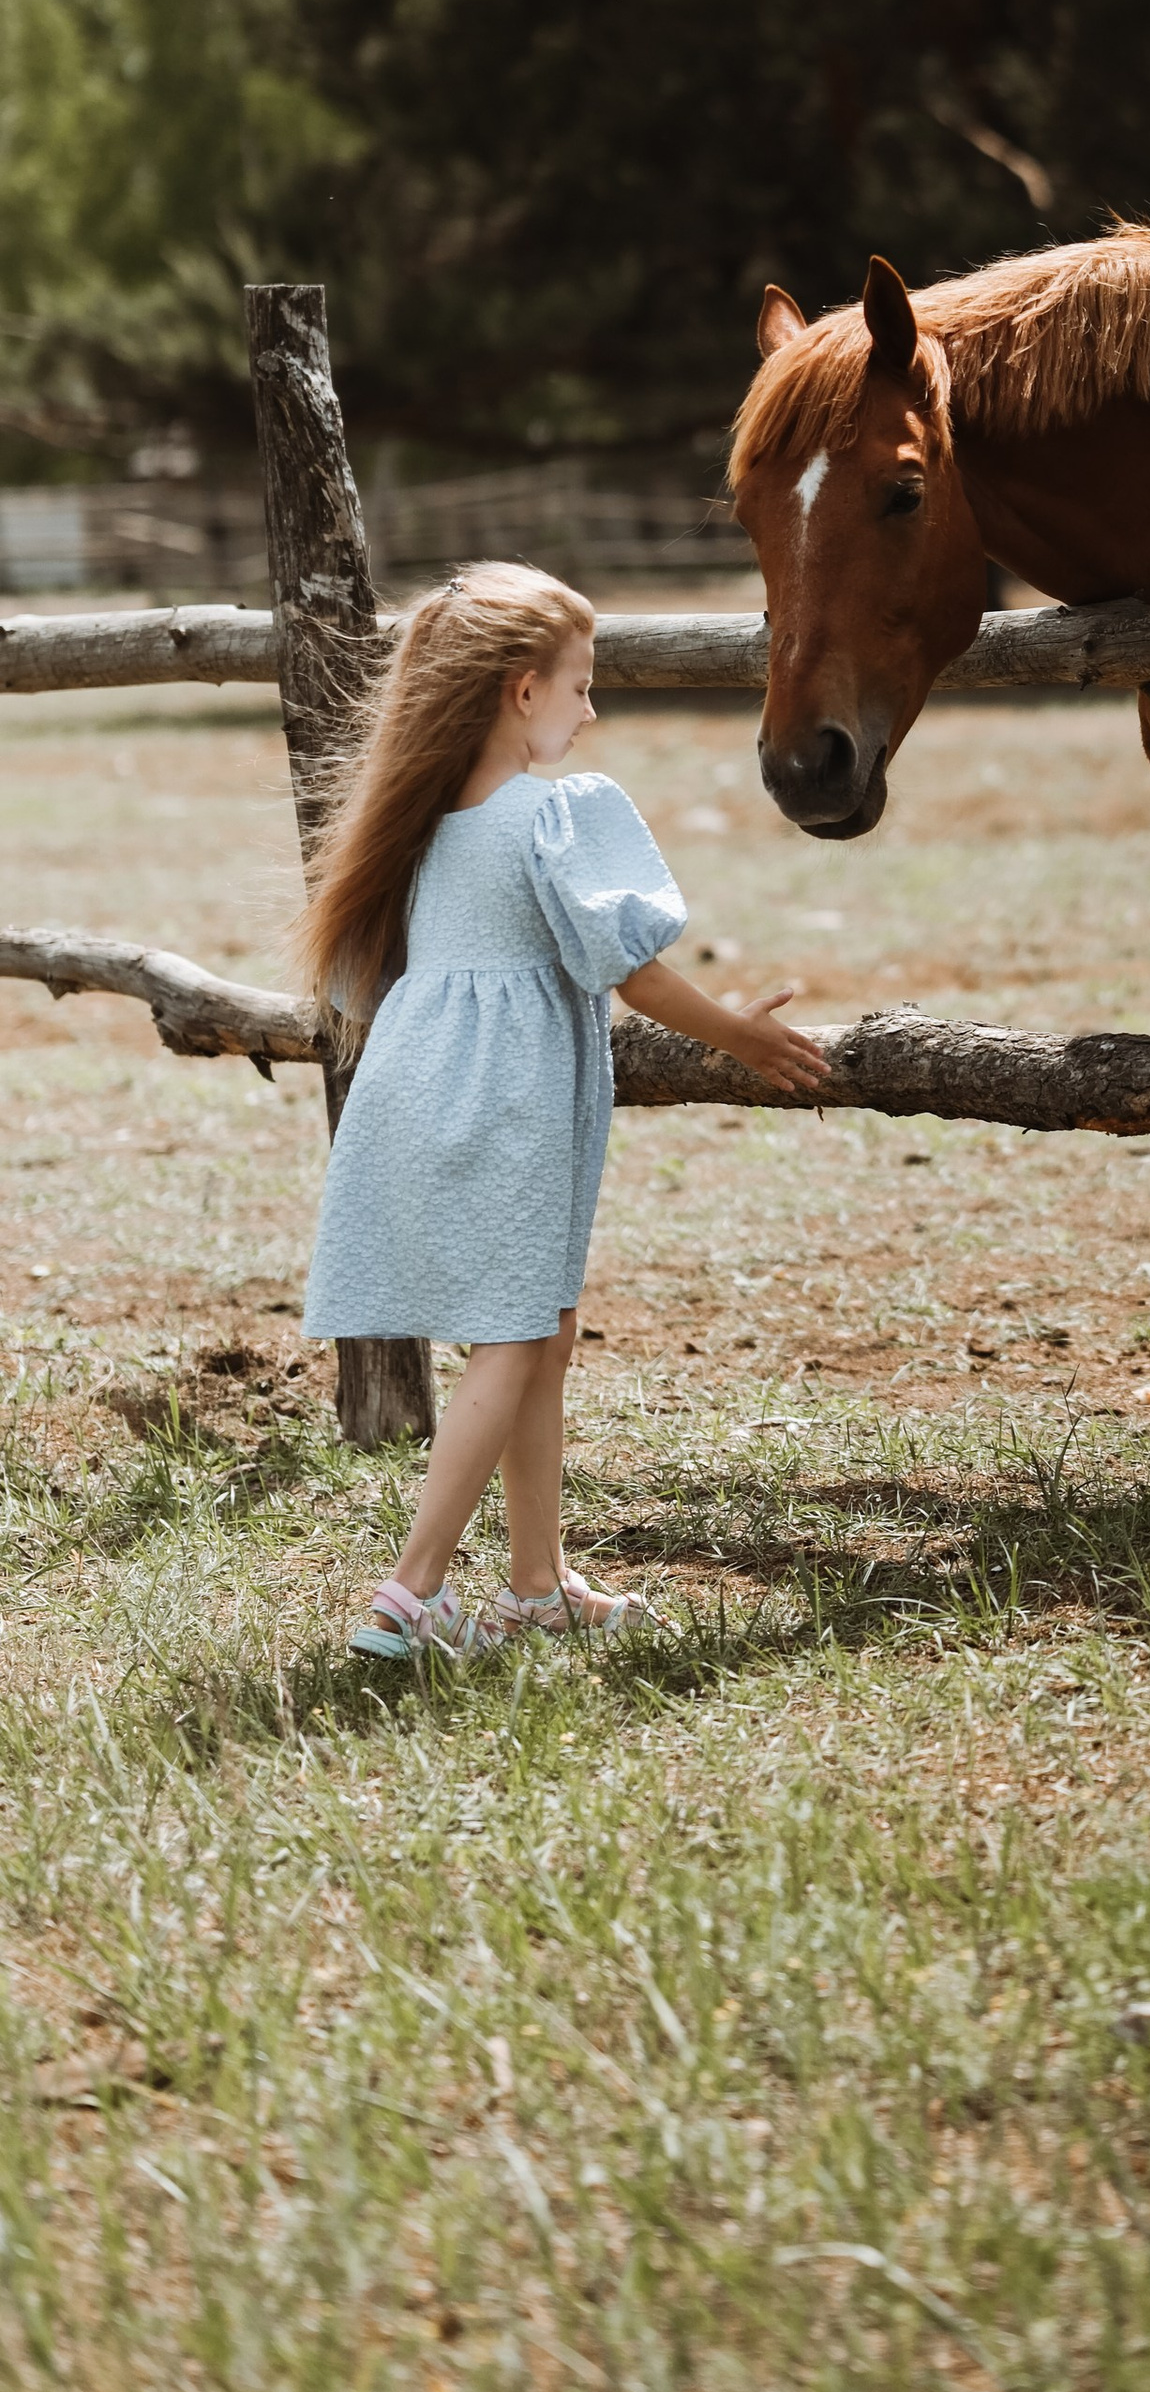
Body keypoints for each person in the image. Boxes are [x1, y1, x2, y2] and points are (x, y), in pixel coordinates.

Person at [297, 562, 831, 1661]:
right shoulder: (552, 814)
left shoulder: (413, 824)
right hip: (507, 1095)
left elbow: (365, 984)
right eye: (582, 686)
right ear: (520, 691)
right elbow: (627, 970)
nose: (593, 712)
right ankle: (413, 1591)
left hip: (419, 1078)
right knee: (512, 1333)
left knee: (543, 1325)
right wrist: (738, 1031)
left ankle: (535, 1585)